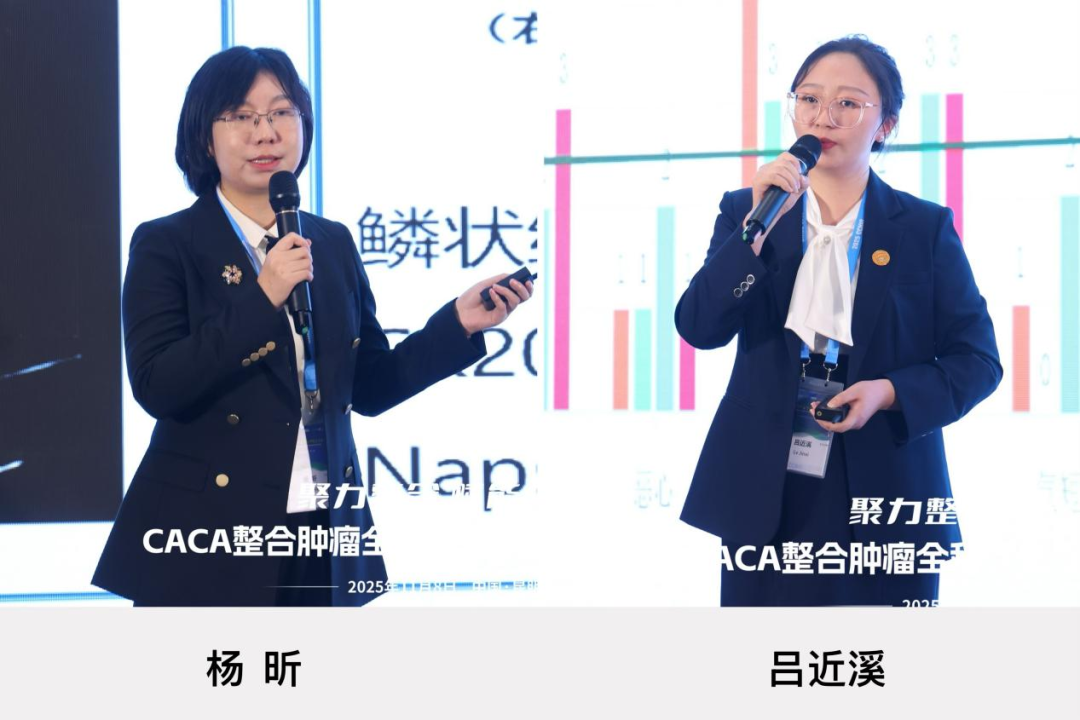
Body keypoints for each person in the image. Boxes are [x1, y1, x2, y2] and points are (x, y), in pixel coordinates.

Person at [92, 46, 532, 606]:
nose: (266, 132)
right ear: (205, 137)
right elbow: (158, 385)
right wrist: (264, 295)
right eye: (242, 116)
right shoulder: (167, 243)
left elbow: (369, 388)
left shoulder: (331, 241)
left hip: (323, 525)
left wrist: (456, 325)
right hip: (211, 528)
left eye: (282, 112)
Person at [675, 36, 1001, 606]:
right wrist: (754, 234)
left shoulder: (923, 228)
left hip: (886, 490)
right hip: (765, 486)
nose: (822, 117)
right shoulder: (747, 211)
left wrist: (889, 392)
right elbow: (700, 327)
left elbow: (977, 361)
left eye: (847, 103)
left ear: (885, 125)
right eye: (809, 99)